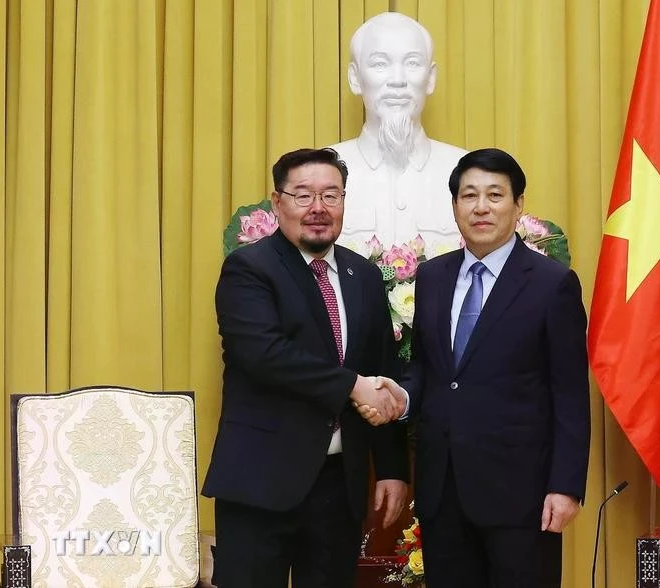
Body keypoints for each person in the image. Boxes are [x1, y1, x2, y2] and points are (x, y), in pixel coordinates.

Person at [368, 148, 591, 587]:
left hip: (522, 495)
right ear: (455, 206)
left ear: (518, 204)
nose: (481, 207)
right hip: (443, 490)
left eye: (495, 195)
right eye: (469, 195)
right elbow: (434, 371)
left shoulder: (551, 283)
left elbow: (569, 393)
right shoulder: (432, 277)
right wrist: (404, 396)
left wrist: (565, 486)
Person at [203, 147, 409, 588]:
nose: (318, 208)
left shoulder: (364, 276)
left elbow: (382, 369)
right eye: (303, 195)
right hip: (261, 480)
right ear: (277, 203)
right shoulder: (249, 268)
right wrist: (353, 385)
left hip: (340, 484)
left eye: (330, 196)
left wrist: (391, 467)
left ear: (343, 203)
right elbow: (264, 354)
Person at [330, 12, 467, 253]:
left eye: (412, 63)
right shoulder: (316, 174)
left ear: (431, 78)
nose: (397, 80)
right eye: (380, 64)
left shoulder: (468, 172)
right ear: (354, 78)